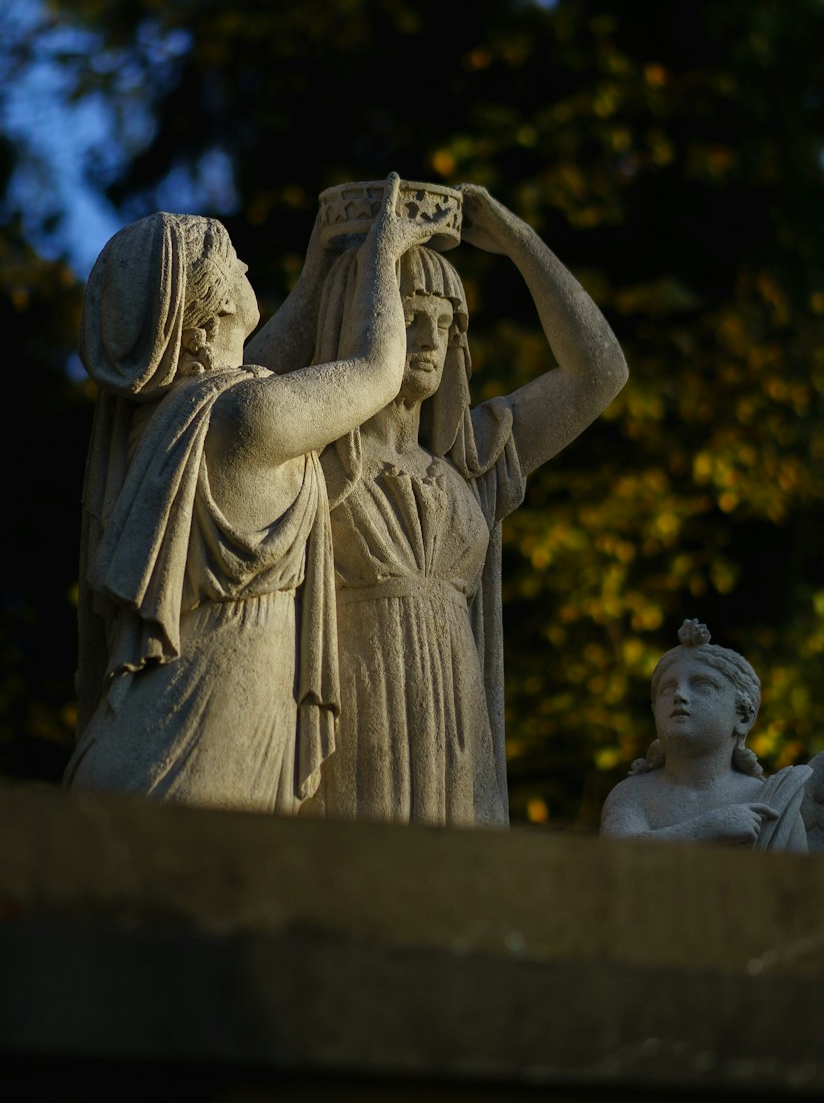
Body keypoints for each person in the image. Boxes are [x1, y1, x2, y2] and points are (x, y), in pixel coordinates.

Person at [66, 174, 441, 812]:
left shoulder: (170, 420)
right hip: (188, 743)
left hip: (153, 735)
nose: (245, 262)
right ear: (208, 308)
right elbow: (376, 373)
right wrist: (385, 253)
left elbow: (261, 365)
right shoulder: (247, 417)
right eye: (230, 257)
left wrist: (317, 272)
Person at [263, 183, 628, 826]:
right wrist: (318, 279)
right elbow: (224, 400)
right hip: (352, 713)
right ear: (362, 314)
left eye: (447, 322)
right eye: (408, 316)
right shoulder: (313, 456)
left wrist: (520, 241)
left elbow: (599, 373)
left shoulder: (473, 460)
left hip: (460, 728)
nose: (430, 337)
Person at [600, 619, 810, 850]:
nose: (679, 694)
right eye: (667, 688)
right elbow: (616, 859)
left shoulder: (772, 802)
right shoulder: (632, 794)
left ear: (743, 716)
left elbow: (801, 884)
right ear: (655, 710)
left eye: (703, 686)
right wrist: (709, 828)